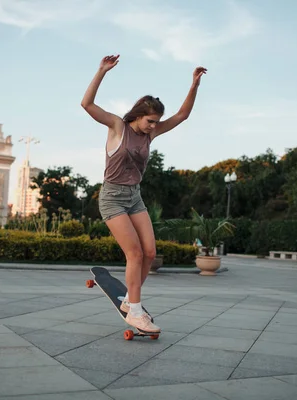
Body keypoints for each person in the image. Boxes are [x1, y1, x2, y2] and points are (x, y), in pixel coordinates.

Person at [80, 54, 207, 333]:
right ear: (138, 116)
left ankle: (130, 300)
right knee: (134, 253)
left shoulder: (150, 134)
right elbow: (87, 104)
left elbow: (182, 115)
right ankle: (135, 310)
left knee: (149, 252)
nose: (153, 126)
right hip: (112, 197)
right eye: (150, 121)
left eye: (156, 122)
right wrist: (101, 70)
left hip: (134, 197)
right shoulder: (117, 126)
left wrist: (194, 84)